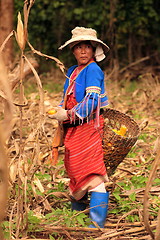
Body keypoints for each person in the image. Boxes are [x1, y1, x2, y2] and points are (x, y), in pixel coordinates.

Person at [48, 27, 110, 228]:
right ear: (73, 50)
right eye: (79, 47)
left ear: (93, 50)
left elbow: (92, 101)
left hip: (88, 127)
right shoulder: (72, 71)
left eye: (87, 47)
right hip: (73, 128)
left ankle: (96, 223)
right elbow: (66, 98)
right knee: (74, 169)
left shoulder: (93, 69)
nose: (83, 51)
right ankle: (77, 216)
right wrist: (58, 109)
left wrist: (67, 114)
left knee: (91, 171)